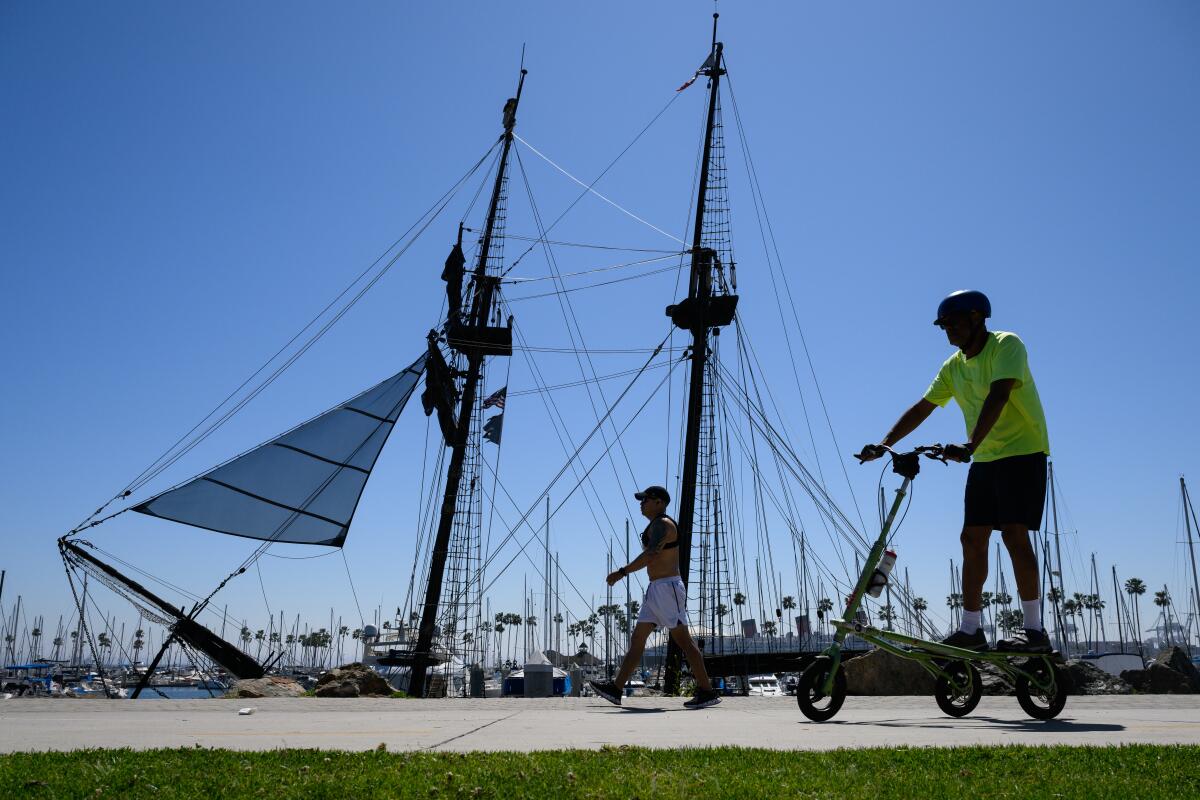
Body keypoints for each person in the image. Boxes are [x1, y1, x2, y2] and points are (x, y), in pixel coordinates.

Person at [859, 290, 1052, 653]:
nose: (947, 331)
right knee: (972, 539)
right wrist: (884, 444)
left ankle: (1034, 630)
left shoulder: (1006, 345)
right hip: (985, 458)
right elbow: (923, 406)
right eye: (942, 326)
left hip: (1022, 453)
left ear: (977, 318)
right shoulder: (954, 365)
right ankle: (971, 629)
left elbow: (999, 395)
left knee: (1014, 535)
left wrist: (968, 445)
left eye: (952, 323)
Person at [589, 485, 722, 708]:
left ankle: (707, 691)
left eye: (646, 500)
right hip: (656, 590)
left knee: (685, 642)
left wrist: (622, 572)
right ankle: (616, 689)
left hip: (668, 589)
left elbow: (651, 555)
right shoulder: (655, 525)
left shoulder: (663, 525)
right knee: (638, 639)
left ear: (659, 502)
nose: (642, 503)